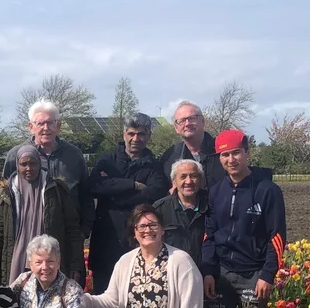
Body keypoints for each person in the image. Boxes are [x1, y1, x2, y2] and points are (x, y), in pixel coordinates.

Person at [202, 130, 286, 308]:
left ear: (247, 153)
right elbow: (209, 234)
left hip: (253, 275)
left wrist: (267, 275)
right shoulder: (216, 192)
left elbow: (277, 237)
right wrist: (208, 271)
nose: (231, 159)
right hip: (223, 275)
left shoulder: (268, 190)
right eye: (225, 155)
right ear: (219, 158)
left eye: (236, 153)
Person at [89, 112, 169, 294]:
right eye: (131, 133)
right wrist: (132, 185)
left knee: (137, 296)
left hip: (137, 240)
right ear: (124, 133)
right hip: (106, 241)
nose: (135, 139)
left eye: (141, 134)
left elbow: (154, 193)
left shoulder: (154, 165)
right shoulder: (107, 160)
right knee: (105, 297)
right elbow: (94, 186)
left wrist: (114, 193)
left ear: (148, 136)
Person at [0, 145, 84, 285]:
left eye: (33, 163)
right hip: (16, 262)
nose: (28, 168)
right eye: (24, 164)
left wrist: (75, 264)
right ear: (17, 165)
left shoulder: (56, 190)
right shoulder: (7, 193)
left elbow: (72, 229)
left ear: (40, 164)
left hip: (46, 263)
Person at [3, 99, 94, 240]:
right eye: (40, 123)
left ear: (58, 125)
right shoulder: (16, 156)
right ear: (30, 127)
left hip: (67, 237)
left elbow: (85, 196)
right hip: (27, 236)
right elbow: (5, 200)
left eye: (50, 122)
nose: (46, 128)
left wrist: (84, 231)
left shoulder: (74, 155)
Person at [153, 159, 208, 268]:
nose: (188, 181)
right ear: (174, 182)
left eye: (193, 176)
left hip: (204, 273)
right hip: (170, 272)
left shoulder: (212, 206)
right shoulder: (160, 209)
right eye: (183, 177)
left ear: (200, 180)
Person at [159, 101, 225, 191]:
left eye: (192, 118)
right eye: (182, 121)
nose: (187, 124)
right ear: (176, 128)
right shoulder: (169, 157)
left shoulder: (222, 150)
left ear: (202, 121)